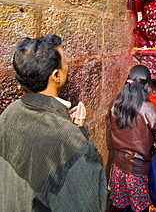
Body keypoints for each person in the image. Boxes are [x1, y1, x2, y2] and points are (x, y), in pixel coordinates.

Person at [0, 34, 107, 211]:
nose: (68, 67)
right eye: (66, 63)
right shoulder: (67, 138)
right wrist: (79, 132)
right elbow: (91, 202)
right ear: (56, 75)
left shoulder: (10, 111)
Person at [107, 65, 156, 212]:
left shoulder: (115, 103)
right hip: (138, 173)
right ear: (147, 85)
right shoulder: (149, 109)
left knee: (121, 207)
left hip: (118, 167)